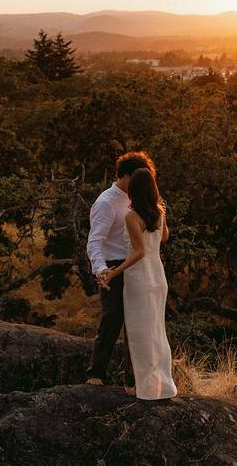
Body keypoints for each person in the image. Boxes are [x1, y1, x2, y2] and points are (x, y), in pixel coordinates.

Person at [101, 167, 177, 400]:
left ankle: (142, 388)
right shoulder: (159, 211)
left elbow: (139, 252)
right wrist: (160, 212)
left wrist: (115, 272)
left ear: (133, 190)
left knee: (139, 334)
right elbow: (164, 237)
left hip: (140, 279)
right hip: (158, 277)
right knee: (156, 332)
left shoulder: (132, 217)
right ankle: (162, 386)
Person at [85, 151, 156, 386]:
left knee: (137, 324)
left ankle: (133, 380)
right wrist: (101, 269)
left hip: (138, 266)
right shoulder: (106, 202)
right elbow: (95, 240)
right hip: (114, 265)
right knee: (112, 320)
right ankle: (96, 372)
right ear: (125, 176)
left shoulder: (139, 197)